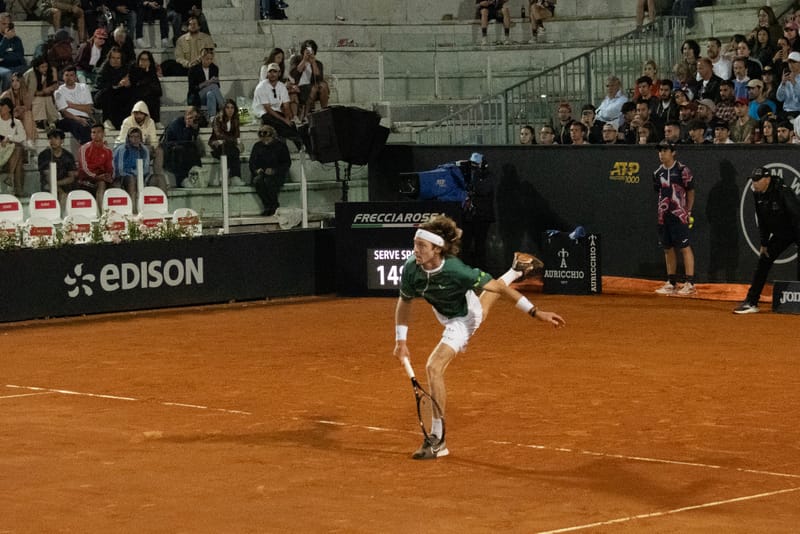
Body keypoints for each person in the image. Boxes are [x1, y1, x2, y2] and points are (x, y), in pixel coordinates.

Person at [393, 215, 565, 459]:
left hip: (463, 317)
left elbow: (499, 289)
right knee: (484, 307)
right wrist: (401, 341)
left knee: (434, 366)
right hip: (445, 312)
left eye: (421, 246)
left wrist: (536, 312)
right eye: (414, 244)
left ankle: (438, 440)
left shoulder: (457, 270)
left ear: (437, 249)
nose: (415, 250)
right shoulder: (411, 268)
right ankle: (516, 269)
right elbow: (404, 302)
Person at [734, 167, 800, 313]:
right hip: (781, 234)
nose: (755, 183)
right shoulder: (757, 194)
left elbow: (797, 217)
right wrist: (764, 243)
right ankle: (751, 302)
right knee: (764, 260)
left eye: (757, 180)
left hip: (796, 229)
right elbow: (762, 220)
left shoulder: (783, 192)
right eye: (753, 180)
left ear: (767, 179)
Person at [653, 140, 696, 296]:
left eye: (665, 150)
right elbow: (659, 192)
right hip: (663, 217)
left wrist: (688, 211)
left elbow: (690, 191)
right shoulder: (657, 173)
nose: (662, 154)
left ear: (673, 152)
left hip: (680, 215)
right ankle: (671, 282)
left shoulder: (683, 170)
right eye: (660, 151)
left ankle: (690, 283)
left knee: (684, 247)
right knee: (667, 248)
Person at [458, 152, 495, 269]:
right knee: (465, 246)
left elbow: (483, 190)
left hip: (482, 217)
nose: (473, 167)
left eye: (476, 164)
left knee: (480, 246)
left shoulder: (489, 177)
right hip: (468, 217)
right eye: (472, 164)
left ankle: (481, 273)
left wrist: (476, 174)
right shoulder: (465, 177)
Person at [252, 61, 301, 148]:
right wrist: (284, 120)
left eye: (275, 72)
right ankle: (295, 138)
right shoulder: (261, 87)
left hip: (276, 112)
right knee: (274, 121)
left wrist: (288, 118)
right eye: (270, 72)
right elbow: (268, 109)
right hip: (262, 112)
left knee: (291, 124)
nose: (272, 74)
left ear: (279, 73)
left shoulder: (281, 86)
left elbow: (286, 106)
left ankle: (300, 146)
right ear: (267, 74)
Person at [248, 123, 290, 216]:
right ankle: (267, 206)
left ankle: (274, 206)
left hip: (277, 174)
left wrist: (274, 170)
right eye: (263, 138)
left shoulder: (280, 146)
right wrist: (256, 170)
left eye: (267, 138)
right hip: (261, 174)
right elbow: (252, 162)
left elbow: (286, 163)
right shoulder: (257, 146)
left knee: (269, 182)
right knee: (258, 181)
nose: (265, 140)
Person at [93, 46, 133, 130]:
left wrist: (128, 84)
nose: (115, 60)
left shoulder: (126, 68)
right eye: (113, 58)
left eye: (118, 58)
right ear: (109, 58)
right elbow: (100, 85)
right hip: (102, 96)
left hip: (119, 95)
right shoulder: (104, 68)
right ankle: (106, 120)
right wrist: (117, 85)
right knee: (108, 92)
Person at [162, 105, 201, 187]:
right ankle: (181, 179)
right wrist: (187, 127)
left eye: (195, 117)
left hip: (184, 147)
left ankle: (197, 174)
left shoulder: (194, 124)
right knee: (180, 150)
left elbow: (191, 140)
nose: (193, 119)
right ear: (186, 115)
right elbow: (181, 140)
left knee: (194, 149)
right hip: (170, 149)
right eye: (191, 117)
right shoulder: (176, 123)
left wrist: (194, 129)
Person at [288, 39, 328, 121]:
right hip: (299, 87)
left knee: (323, 85)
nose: (309, 52)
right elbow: (294, 74)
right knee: (313, 88)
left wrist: (313, 63)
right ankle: (306, 115)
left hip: (314, 87)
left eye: (311, 49)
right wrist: (304, 60)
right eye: (307, 49)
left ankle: (325, 111)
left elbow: (319, 78)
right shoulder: (296, 59)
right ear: (303, 50)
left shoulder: (318, 63)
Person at [54, 65, 95, 144]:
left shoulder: (84, 87)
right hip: (68, 119)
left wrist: (71, 105)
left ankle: (88, 146)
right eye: (66, 75)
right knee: (77, 124)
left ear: (76, 77)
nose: (69, 78)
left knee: (88, 126)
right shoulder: (59, 92)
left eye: (71, 75)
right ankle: (86, 145)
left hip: (85, 118)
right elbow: (64, 112)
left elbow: (89, 108)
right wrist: (77, 118)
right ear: (63, 77)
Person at [112, 126, 153, 202]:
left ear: (140, 138)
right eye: (132, 136)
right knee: (132, 179)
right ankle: (133, 209)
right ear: (128, 138)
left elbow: (146, 169)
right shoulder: (122, 149)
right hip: (123, 177)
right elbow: (120, 170)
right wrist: (134, 173)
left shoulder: (144, 150)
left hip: (141, 176)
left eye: (137, 136)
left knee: (159, 179)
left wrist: (138, 174)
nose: (135, 139)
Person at [37, 127, 76, 206]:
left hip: (65, 184)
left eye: (56, 138)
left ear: (62, 141)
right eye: (50, 138)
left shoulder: (69, 156)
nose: (52, 141)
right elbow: (47, 176)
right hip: (48, 185)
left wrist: (57, 184)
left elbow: (71, 177)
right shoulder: (44, 155)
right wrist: (58, 189)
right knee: (60, 195)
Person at [76, 122, 113, 202]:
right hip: (86, 179)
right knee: (102, 184)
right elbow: (84, 168)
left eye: (98, 132)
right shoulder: (84, 148)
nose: (95, 134)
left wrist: (108, 176)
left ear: (103, 133)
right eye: (93, 132)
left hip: (101, 177)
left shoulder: (108, 151)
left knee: (116, 185)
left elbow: (109, 168)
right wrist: (96, 177)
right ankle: (102, 213)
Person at [208, 98, 242, 185]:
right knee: (230, 149)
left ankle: (234, 177)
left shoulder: (235, 119)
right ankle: (231, 176)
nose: (230, 110)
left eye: (232, 108)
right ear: (224, 109)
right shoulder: (217, 119)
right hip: (216, 144)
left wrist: (234, 140)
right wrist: (234, 140)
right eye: (227, 108)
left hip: (228, 145)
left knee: (234, 150)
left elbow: (237, 135)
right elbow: (219, 135)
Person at [1, 72, 35, 151]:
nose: (14, 83)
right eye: (12, 81)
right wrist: (14, 111)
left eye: (17, 81)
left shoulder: (25, 93)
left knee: (28, 114)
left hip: (21, 117)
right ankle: (27, 141)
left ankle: (29, 141)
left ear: (21, 82)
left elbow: (28, 107)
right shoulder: (6, 94)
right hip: (8, 117)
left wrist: (20, 109)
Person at [23, 55, 59, 130]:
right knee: (40, 99)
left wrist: (48, 89)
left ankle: (52, 120)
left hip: (47, 96)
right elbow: (31, 93)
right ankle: (39, 121)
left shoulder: (51, 70)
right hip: (32, 97)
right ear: (37, 67)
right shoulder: (31, 74)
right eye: (42, 67)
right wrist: (43, 91)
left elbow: (55, 85)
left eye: (46, 66)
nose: (45, 68)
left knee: (47, 98)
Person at [187, 47, 223, 119]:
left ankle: (212, 118)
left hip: (209, 95)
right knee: (213, 86)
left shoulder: (214, 68)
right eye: (207, 59)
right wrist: (207, 82)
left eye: (211, 59)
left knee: (211, 94)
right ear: (202, 58)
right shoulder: (193, 69)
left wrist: (215, 81)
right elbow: (192, 89)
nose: (209, 61)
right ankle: (223, 107)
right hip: (197, 96)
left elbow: (218, 86)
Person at [0, 96, 25, 196]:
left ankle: (10, 178)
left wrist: (9, 138)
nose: (0, 108)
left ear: (9, 109)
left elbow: (23, 137)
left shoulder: (17, 122)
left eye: (2, 106)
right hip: (1, 152)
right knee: (18, 161)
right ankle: (17, 190)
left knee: (18, 148)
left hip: (10, 154)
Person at [129, 50, 162, 124]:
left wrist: (148, 73)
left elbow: (158, 90)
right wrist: (144, 72)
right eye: (142, 59)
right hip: (135, 96)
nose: (143, 62)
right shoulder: (133, 69)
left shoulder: (151, 72)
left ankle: (155, 121)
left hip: (148, 97)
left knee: (153, 96)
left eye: (146, 60)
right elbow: (135, 85)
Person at [0, 22, 27, 92]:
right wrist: (6, 38)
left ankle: (24, 97)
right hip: (3, 67)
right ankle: (5, 98)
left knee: (32, 70)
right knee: (8, 73)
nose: (8, 27)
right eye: (4, 24)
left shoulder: (17, 39)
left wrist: (5, 56)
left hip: (18, 66)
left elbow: (20, 55)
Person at [776, 51, 800, 117]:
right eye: (789, 62)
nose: (791, 65)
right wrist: (782, 83)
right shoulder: (787, 77)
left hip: (798, 112)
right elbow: (780, 98)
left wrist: (794, 83)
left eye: (794, 62)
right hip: (786, 111)